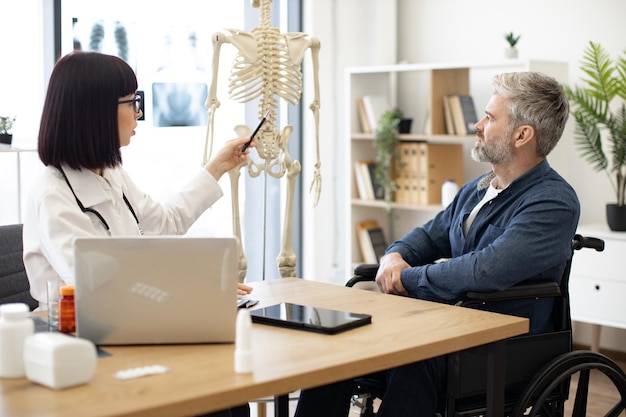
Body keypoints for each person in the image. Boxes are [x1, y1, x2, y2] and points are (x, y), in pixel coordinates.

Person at [294, 71, 580, 416]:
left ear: (522, 135)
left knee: (415, 354)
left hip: (502, 347)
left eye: (490, 118)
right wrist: (394, 257)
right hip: (450, 325)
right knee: (338, 341)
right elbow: (430, 235)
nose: (477, 124)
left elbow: (486, 269)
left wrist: (408, 279)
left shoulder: (553, 201)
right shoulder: (478, 188)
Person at [22, 52, 252, 417]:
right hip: (78, 342)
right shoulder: (53, 193)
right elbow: (97, 282)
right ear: (96, 111)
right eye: (132, 103)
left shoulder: (110, 173)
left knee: (228, 389)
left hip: (130, 324)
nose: (138, 114)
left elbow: (165, 221)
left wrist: (218, 166)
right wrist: (195, 282)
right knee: (209, 390)